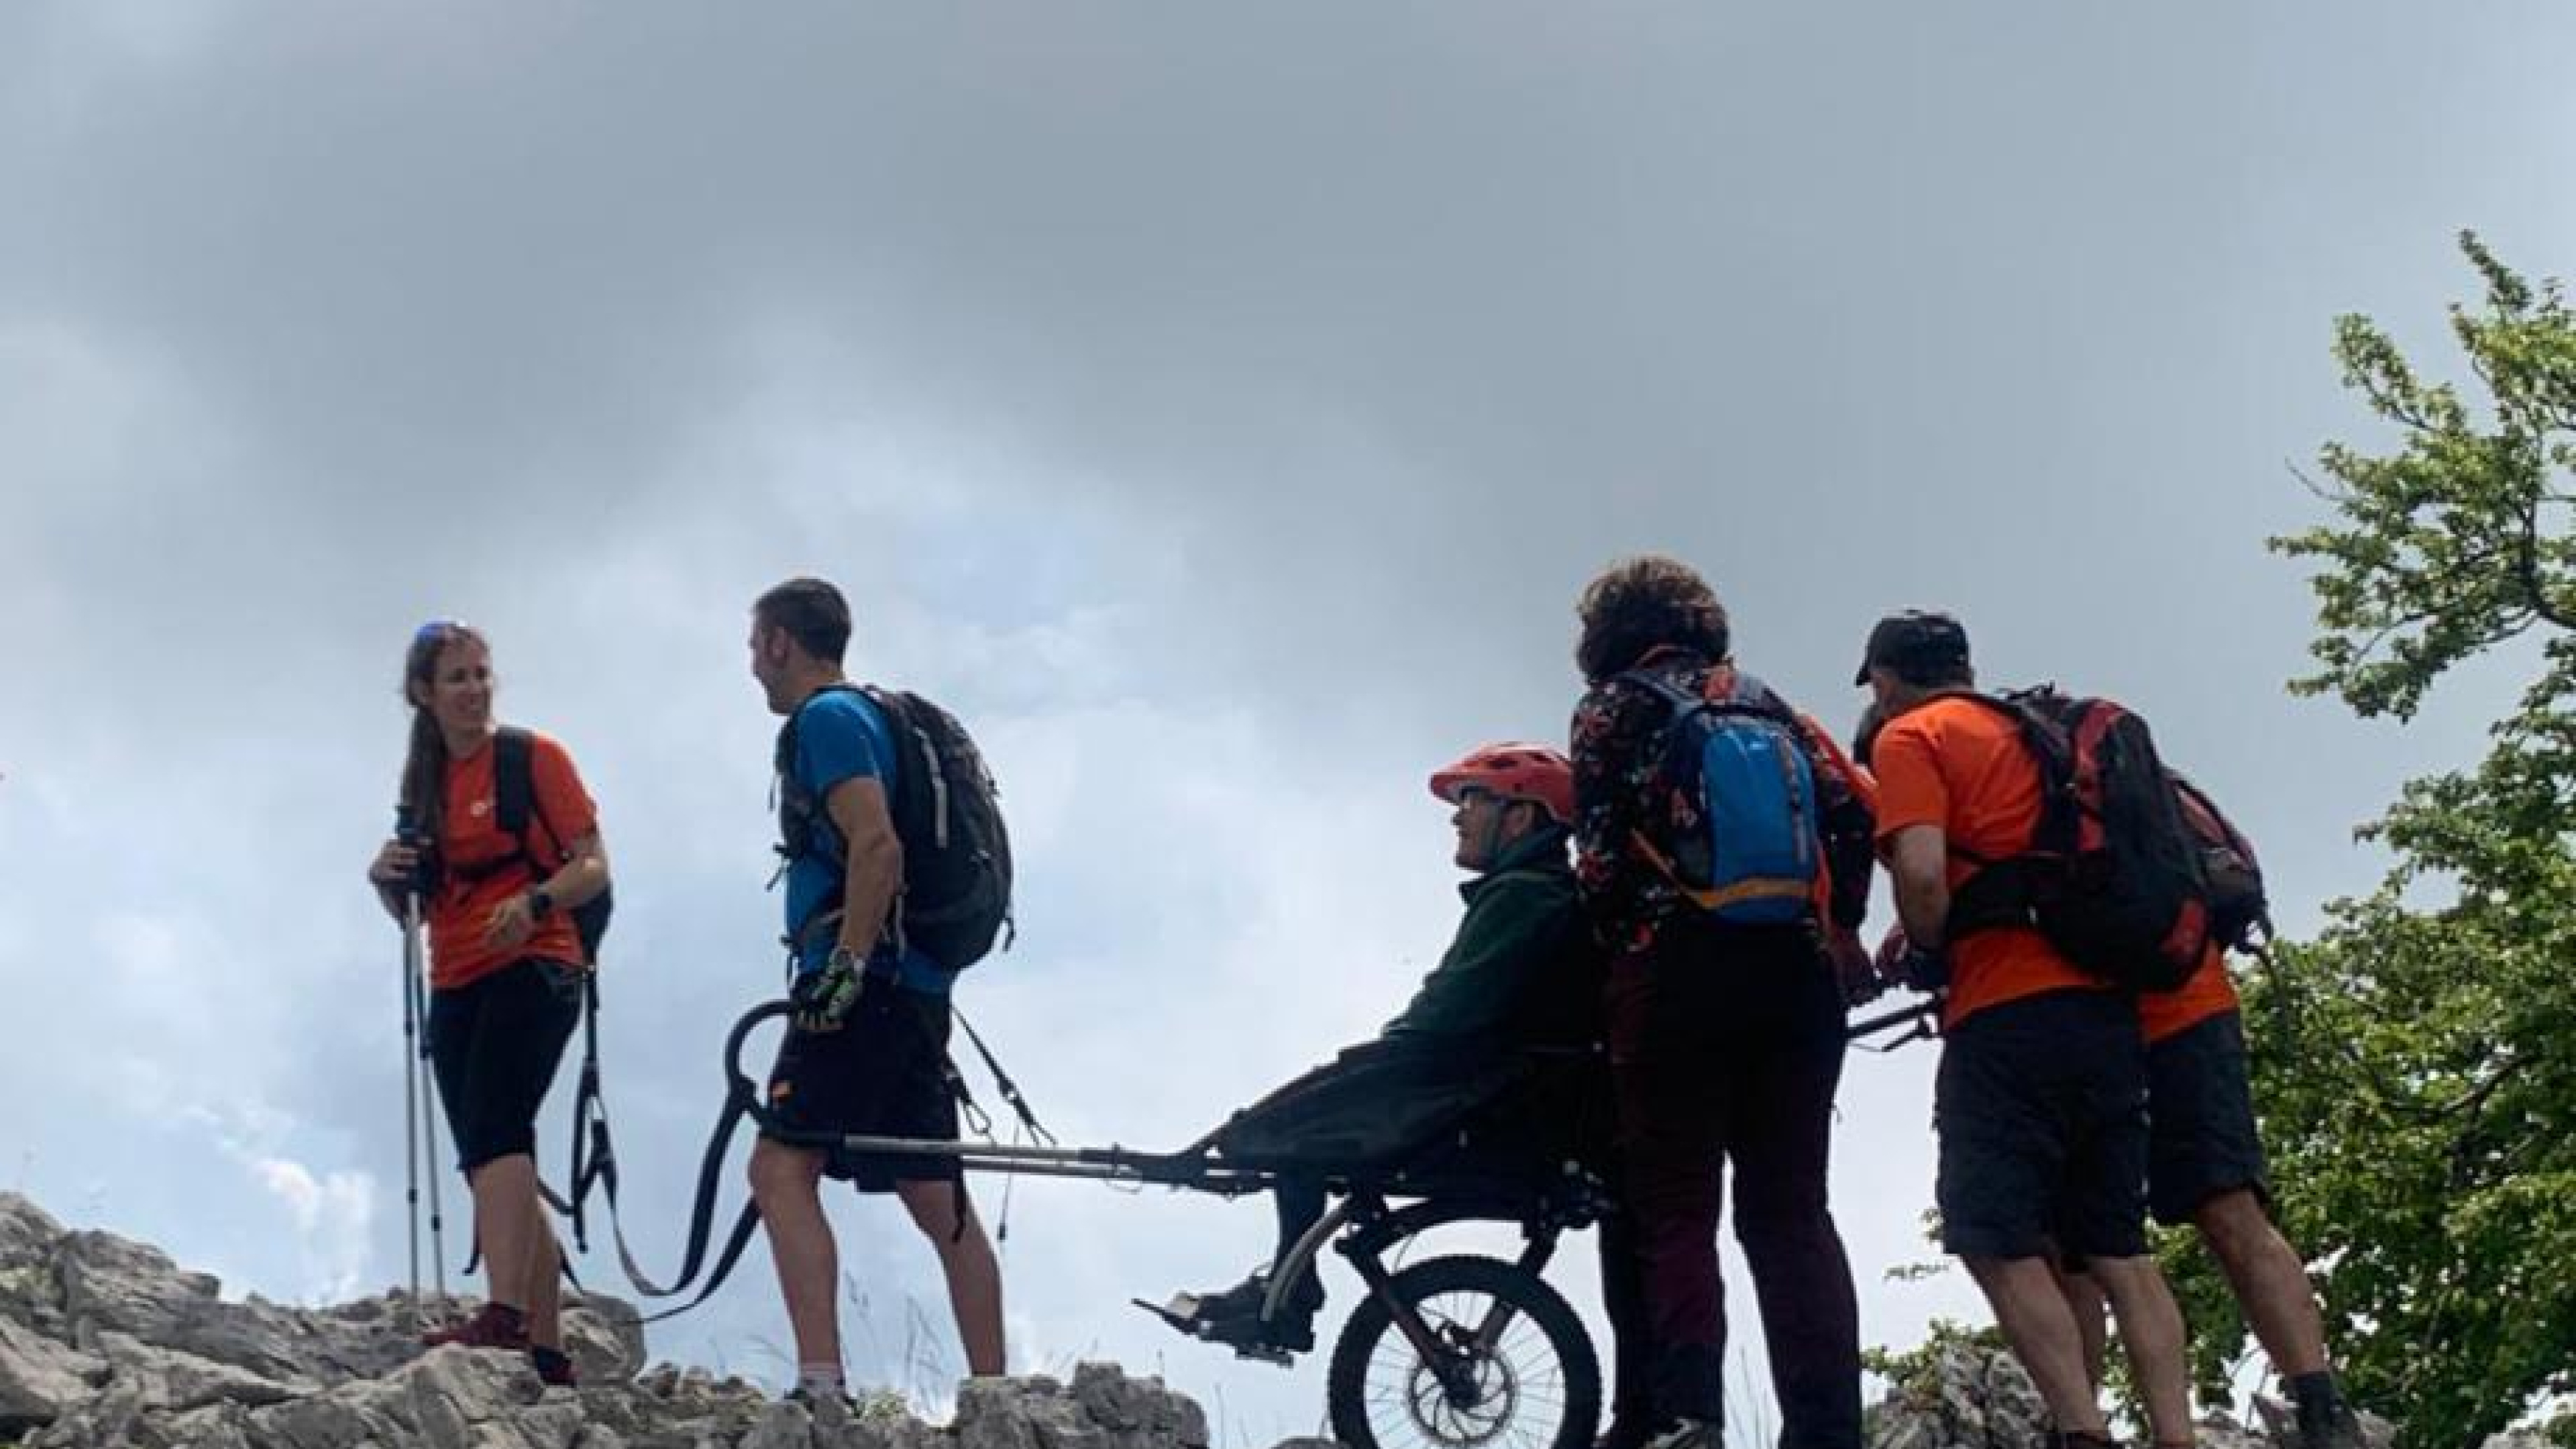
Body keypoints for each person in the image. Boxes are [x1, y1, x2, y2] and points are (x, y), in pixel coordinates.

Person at [1155, 744, 1617, 1368]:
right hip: (1509, 1099)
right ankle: (1289, 1287)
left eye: (1472, 801)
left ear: (1521, 818)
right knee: (1299, 1126)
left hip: (1485, 1104)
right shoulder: (1536, 893)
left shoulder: (1526, 897)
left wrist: (1376, 1056)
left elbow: (1449, 1008)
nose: (1458, 817)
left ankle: (1289, 1297)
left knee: (1296, 1130)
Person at [1857, 609, 2197, 1449]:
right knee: (2117, 1244)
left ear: (1888, 679)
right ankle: (2177, 1435)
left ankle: (2083, 1431)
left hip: (2004, 1014)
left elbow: (1926, 882)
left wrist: (1926, 944)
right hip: (2105, 1005)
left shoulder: (1912, 738)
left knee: (1991, 1230)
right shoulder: (2038, 732)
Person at [1568, 556, 1877, 1449]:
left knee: (1675, 1209)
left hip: (1672, 979)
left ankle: (1690, 1418)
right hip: (1796, 976)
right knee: (1792, 1211)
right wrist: (1843, 925)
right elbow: (1856, 818)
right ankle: (1825, 1430)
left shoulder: (1613, 711)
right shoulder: (1768, 703)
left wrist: (1627, 945)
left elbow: (1599, 865)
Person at [743, 577, 1006, 1406]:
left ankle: (821, 1383)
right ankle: (999, 1395)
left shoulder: (827, 722)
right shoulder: (878, 714)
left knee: (780, 1168)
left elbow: (878, 847)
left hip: (863, 984)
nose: (753, 665)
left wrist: (845, 972)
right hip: (919, 989)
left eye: (756, 646)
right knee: (937, 1193)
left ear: (782, 641)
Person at [366, 619, 610, 1389]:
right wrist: (387, 881)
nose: (474, 690)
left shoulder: (532, 759)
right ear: (424, 695)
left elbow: (593, 865)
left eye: (481, 674)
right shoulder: (424, 788)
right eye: (458, 679)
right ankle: (545, 1348)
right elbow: (419, 904)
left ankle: (504, 1316)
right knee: (488, 1153)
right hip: (456, 976)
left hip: (538, 963)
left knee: (499, 1128)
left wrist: (536, 903)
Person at [2057, 951, 2365, 1448]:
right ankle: (2321, 1406)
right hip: (2171, 1016)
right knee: (2099, 1237)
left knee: (2100, 1239)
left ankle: (2321, 1406)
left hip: (2144, 1021)